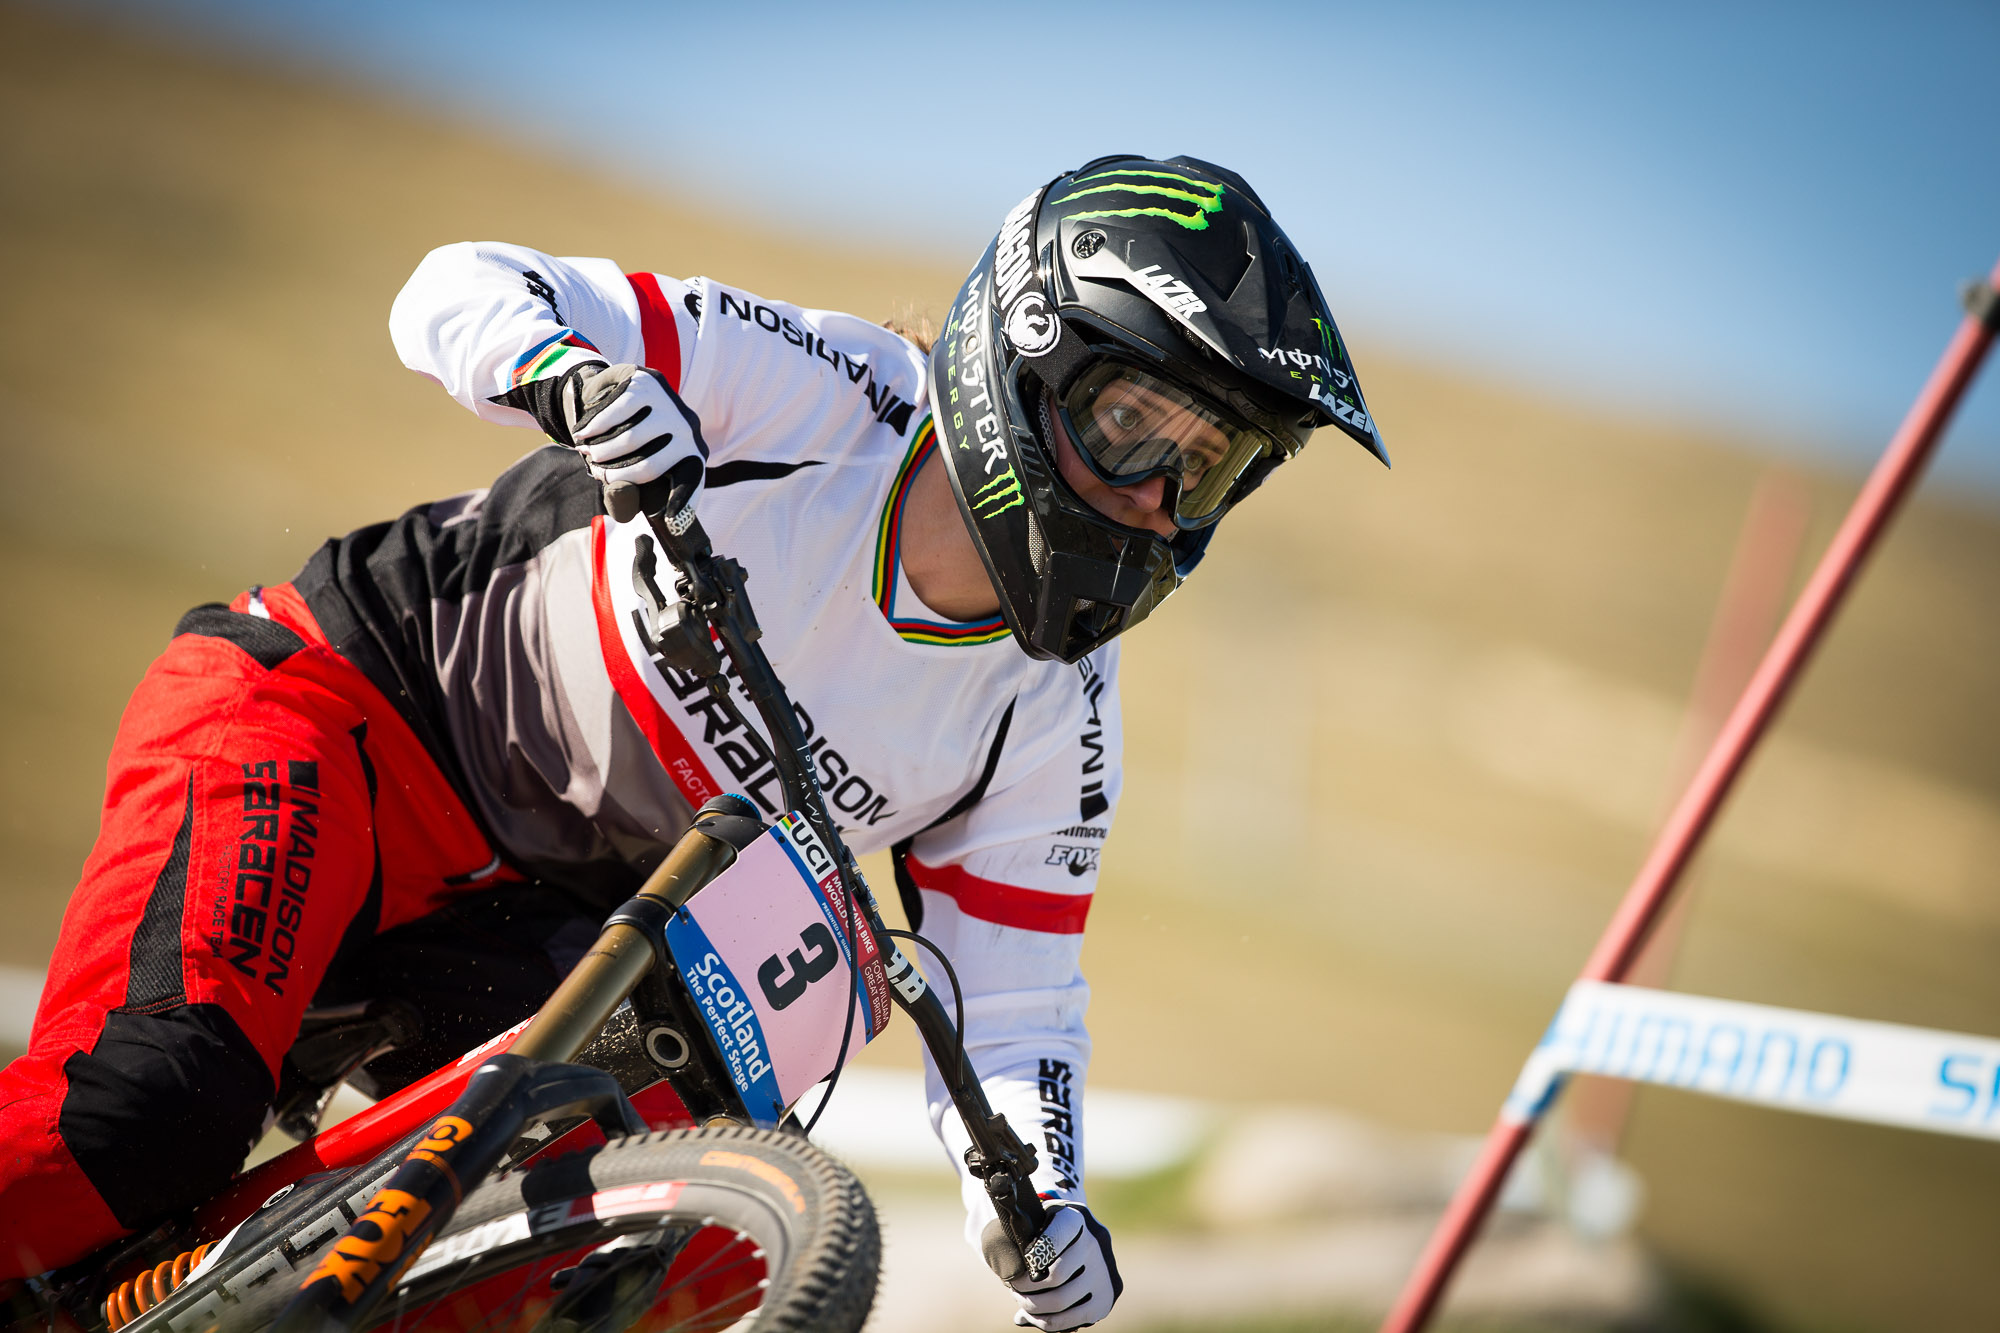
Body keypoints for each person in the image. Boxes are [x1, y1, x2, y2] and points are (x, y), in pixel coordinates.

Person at [0, 154, 1384, 1329]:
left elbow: (1014, 1008)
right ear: (1024, 360)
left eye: (1206, 466)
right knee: (141, 1116)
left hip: (538, 928)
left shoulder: (1056, 713)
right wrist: (561, 374)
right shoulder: (823, 393)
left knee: (675, 1260)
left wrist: (1042, 1206)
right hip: (336, 716)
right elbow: (456, 285)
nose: (1155, 499)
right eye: (1129, 425)